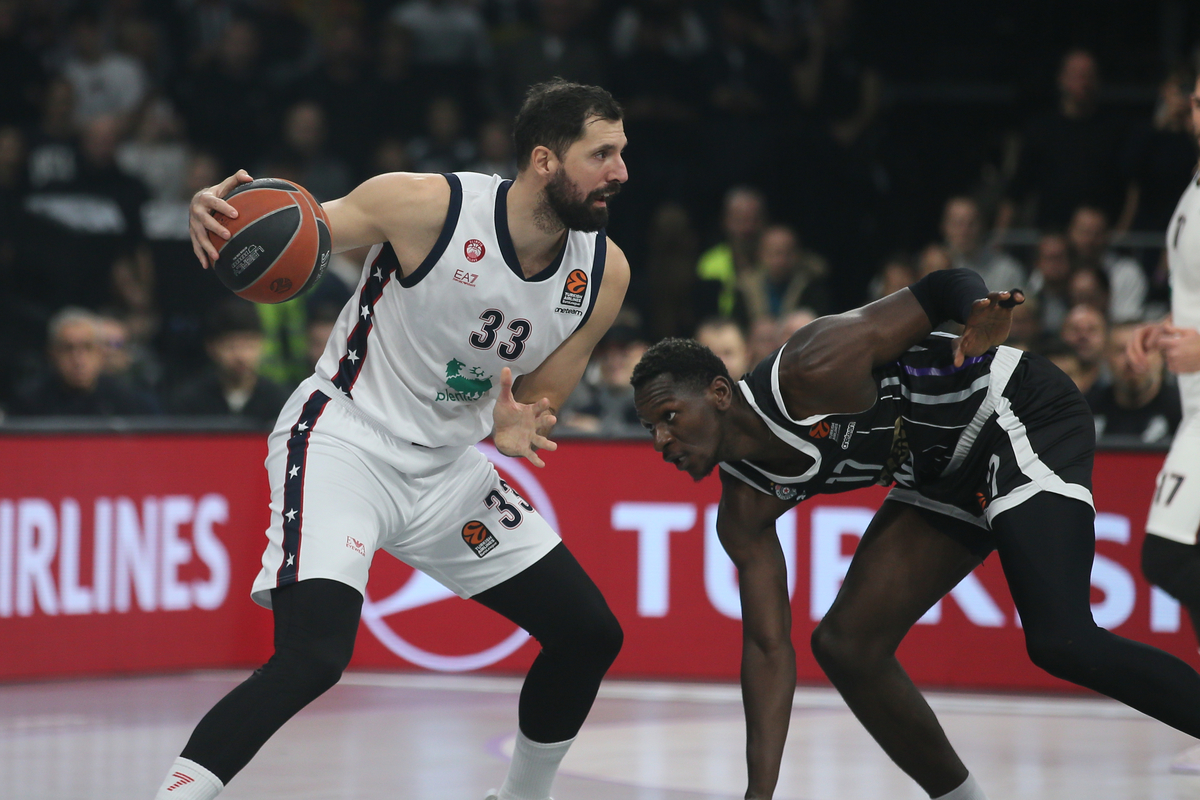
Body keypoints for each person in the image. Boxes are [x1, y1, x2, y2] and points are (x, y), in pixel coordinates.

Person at [155, 80, 630, 800]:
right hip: (347, 439)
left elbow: (539, 399)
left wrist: (519, 421)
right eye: (602, 154)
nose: (620, 172)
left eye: (622, 153)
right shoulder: (427, 206)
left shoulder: (603, 272)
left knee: (590, 633)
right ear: (544, 159)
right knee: (313, 656)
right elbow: (295, 229)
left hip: (447, 473)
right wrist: (218, 222)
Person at [631, 268, 1200, 800]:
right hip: (942, 471)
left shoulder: (810, 366)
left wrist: (977, 310)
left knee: (1060, 640)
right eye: (650, 427)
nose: (660, 441)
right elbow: (767, 650)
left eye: (670, 417)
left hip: (1017, 411)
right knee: (847, 646)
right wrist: (760, 795)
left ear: (719, 394)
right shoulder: (744, 511)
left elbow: (943, 286)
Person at [1128, 71, 1200, 773]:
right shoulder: (1191, 188)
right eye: (1197, 98)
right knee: (1179, 556)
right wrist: (1162, 329)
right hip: (1194, 408)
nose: (1195, 109)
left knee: (1169, 556)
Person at [8, 307, 157, 417]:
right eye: (68, 349)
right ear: (53, 355)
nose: (78, 359)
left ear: (100, 353)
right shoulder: (29, 402)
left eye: (88, 348)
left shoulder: (125, 400)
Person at [167, 298, 292, 426]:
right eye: (231, 346)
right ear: (211, 347)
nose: (241, 356)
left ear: (262, 344)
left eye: (249, 345)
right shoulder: (189, 402)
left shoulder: (281, 401)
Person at [1087, 322, 1181, 444]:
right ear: (1106, 357)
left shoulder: (1184, 411)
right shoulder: (1086, 410)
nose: (1131, 359)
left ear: (1161, 357)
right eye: (1121, 350)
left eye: (1144, 349)